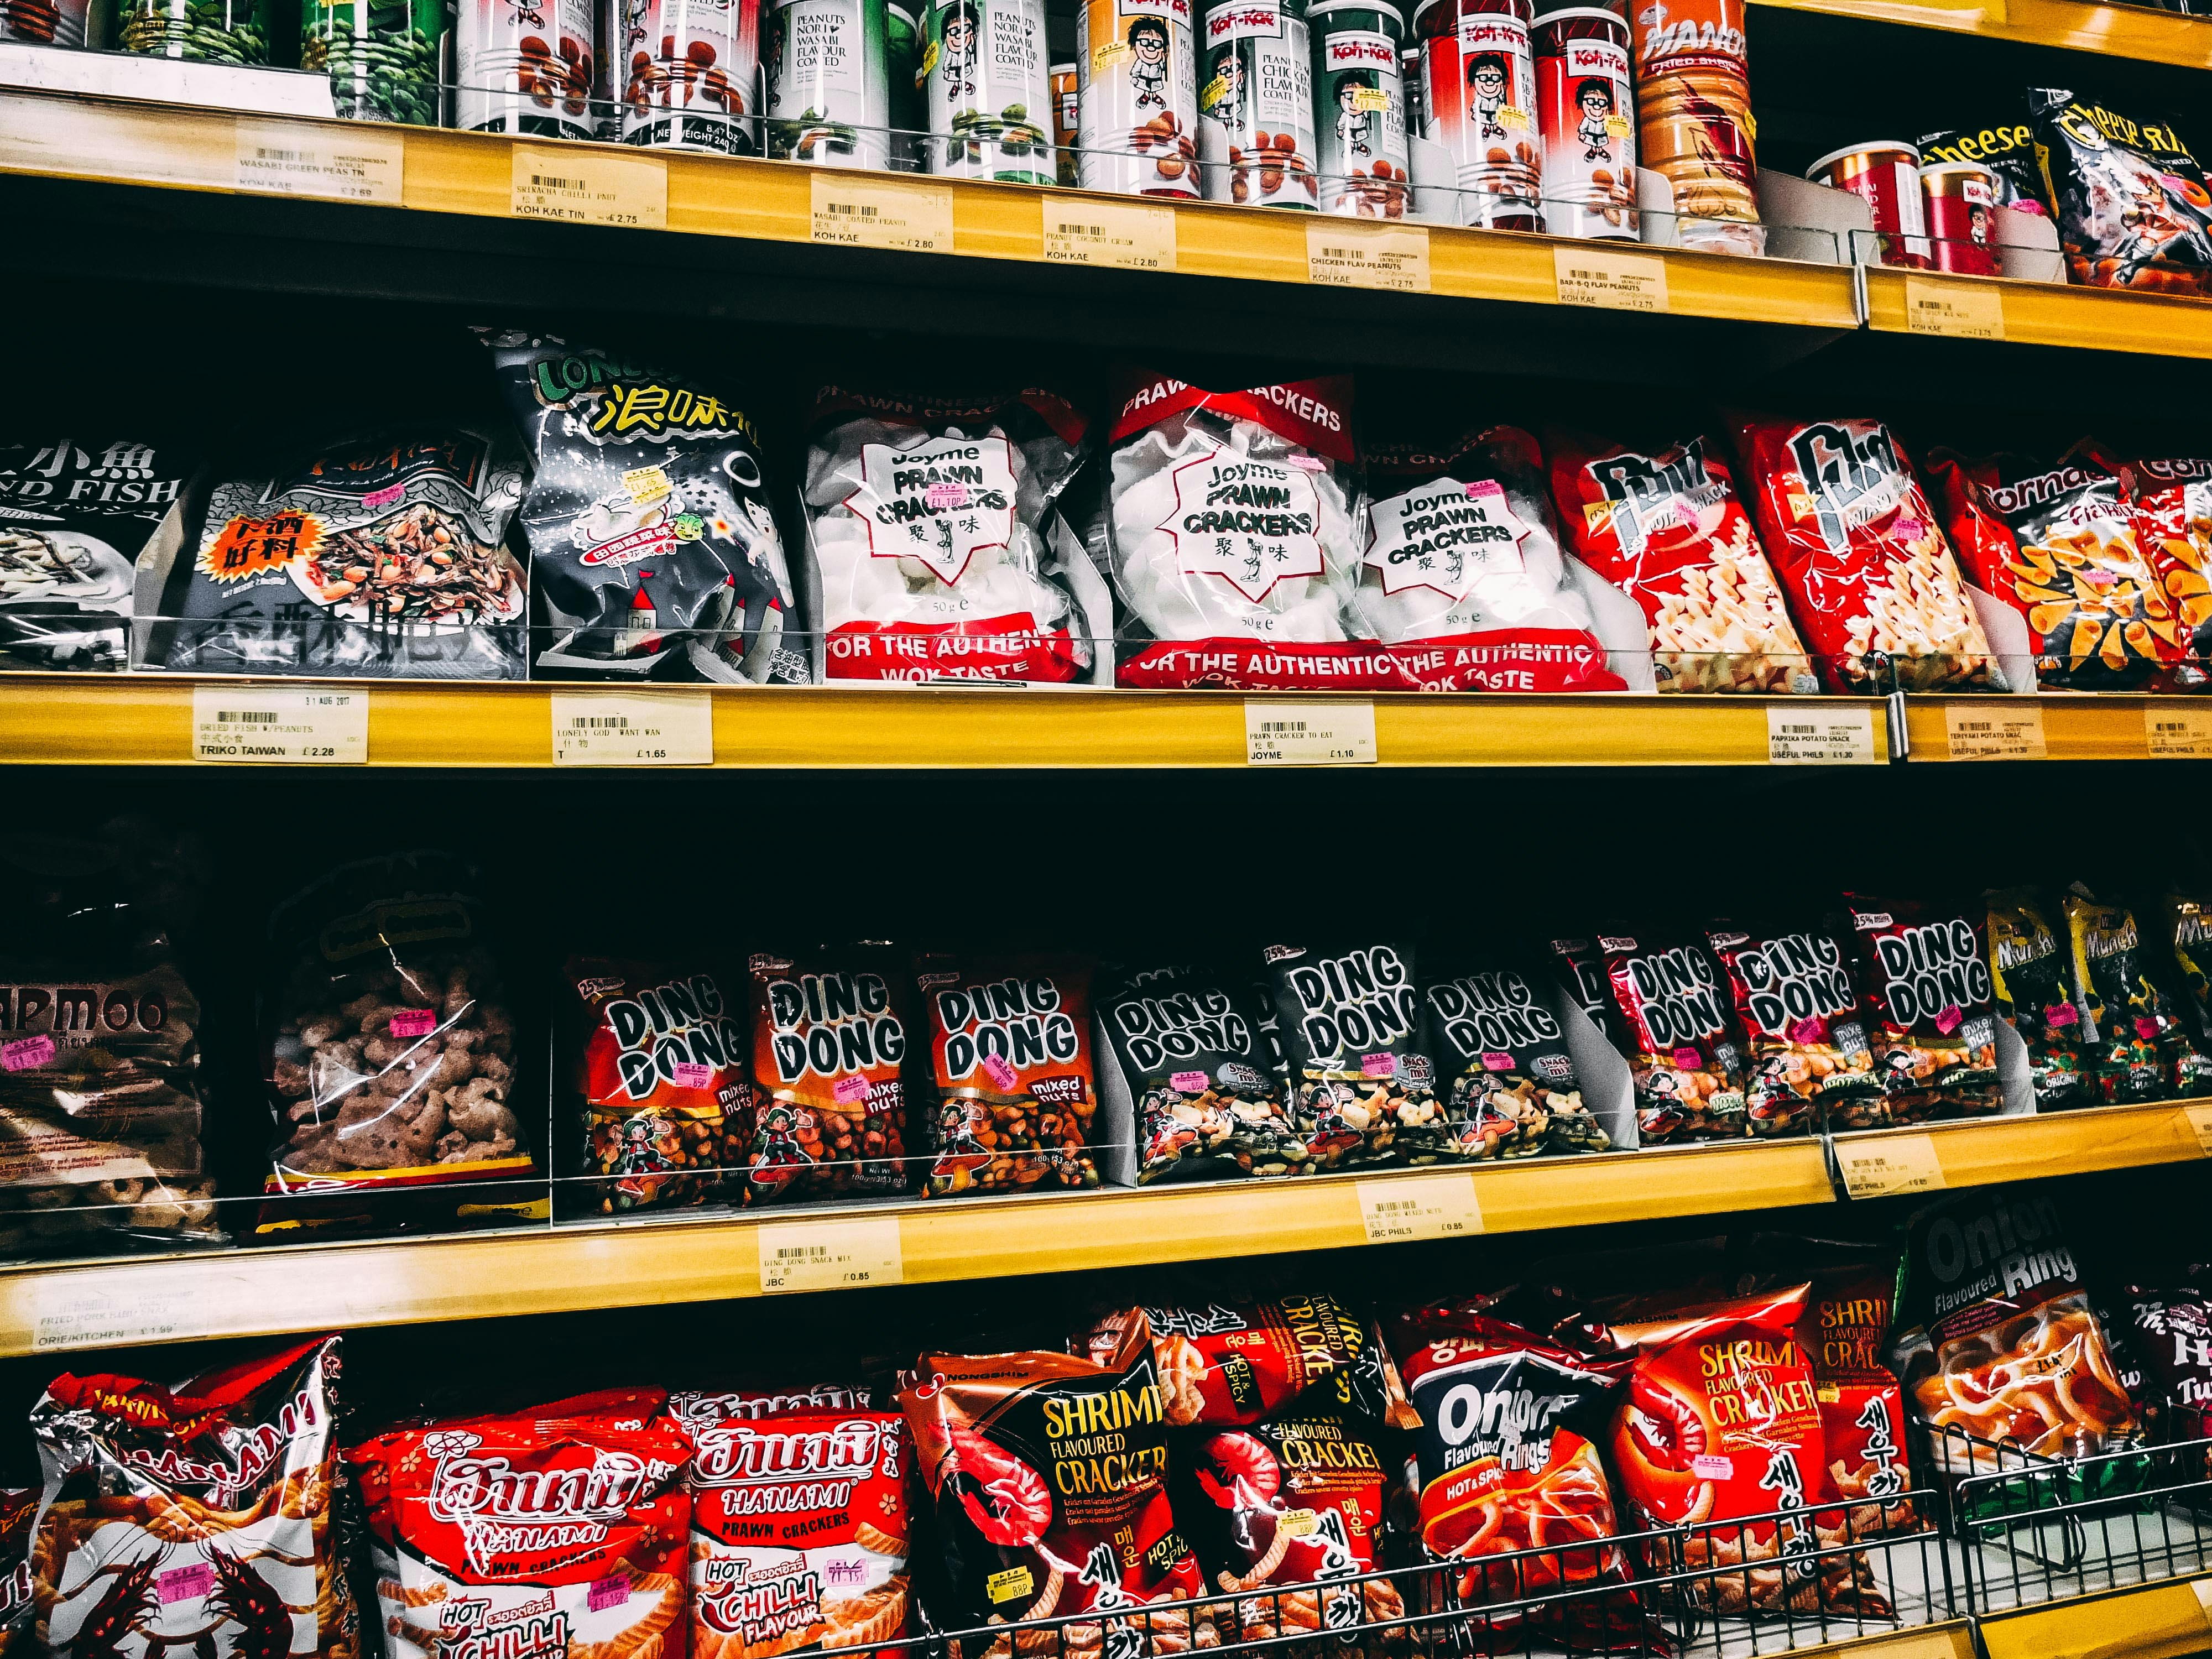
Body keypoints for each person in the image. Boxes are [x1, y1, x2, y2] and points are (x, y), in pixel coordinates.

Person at [938, 0, 979, 107]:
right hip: (953, 70)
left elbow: (972, 51)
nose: (959, 36)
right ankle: (956, 87)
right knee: (956, 79)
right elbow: (947, 62)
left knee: (962, 77)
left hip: (964, 68)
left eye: (965, 29)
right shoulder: (950, 53)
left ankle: (964, 85)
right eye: (953, 31)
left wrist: (973, 41)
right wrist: (946, 69)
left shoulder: (967, 48)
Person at [1128, 14, 1170, 111]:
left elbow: (1163, 68)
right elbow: (1135, 70)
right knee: (1146, 88)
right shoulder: (1140, 62)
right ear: (1134, 46)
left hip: (1156, 79)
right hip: (1144, 79)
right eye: (1144, 42)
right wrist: (1134, 78)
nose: (1151, 48)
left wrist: (1164, 59)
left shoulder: (1159, 61)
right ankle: (1146, 97)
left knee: (1154, 88)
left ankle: (1154, 97)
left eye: (1157, 44)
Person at [1333, 69, 1375, 159]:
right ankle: (1351, 147)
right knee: (1351, 140)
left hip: (1360, 130)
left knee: (1358, 139)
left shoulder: (1365, 113)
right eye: (1349, 96)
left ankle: (1359, 147)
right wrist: (1340, 130)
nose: (1354, 101)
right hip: (1349, 131)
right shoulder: (1345, 116)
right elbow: (1341, 123)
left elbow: (1368, 116)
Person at [1467, 51, 1507, 141]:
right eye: (1483, 78)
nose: (1489, 82)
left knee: (1494, 121)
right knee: (1487, 122)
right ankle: (1487, 130)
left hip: (1495, 113)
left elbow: (1502, 104)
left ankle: (1495, 129)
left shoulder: (1499, 97)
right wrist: (1476, 113)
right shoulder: (1479, 98)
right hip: (1484, 114)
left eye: (1495, 78)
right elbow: (1475, 106)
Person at [1574, 75, 1613, 160]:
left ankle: (1601, 151)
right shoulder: (1587, 120)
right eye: (1591, 101)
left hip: (1602, 135)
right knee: (1593, 143)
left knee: (1600, 143)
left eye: (1602, 103)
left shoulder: (1605, 120)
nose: (1597, 107)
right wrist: (1582, 134)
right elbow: (1583, 127)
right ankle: (1593, 151)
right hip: (1590, 135)